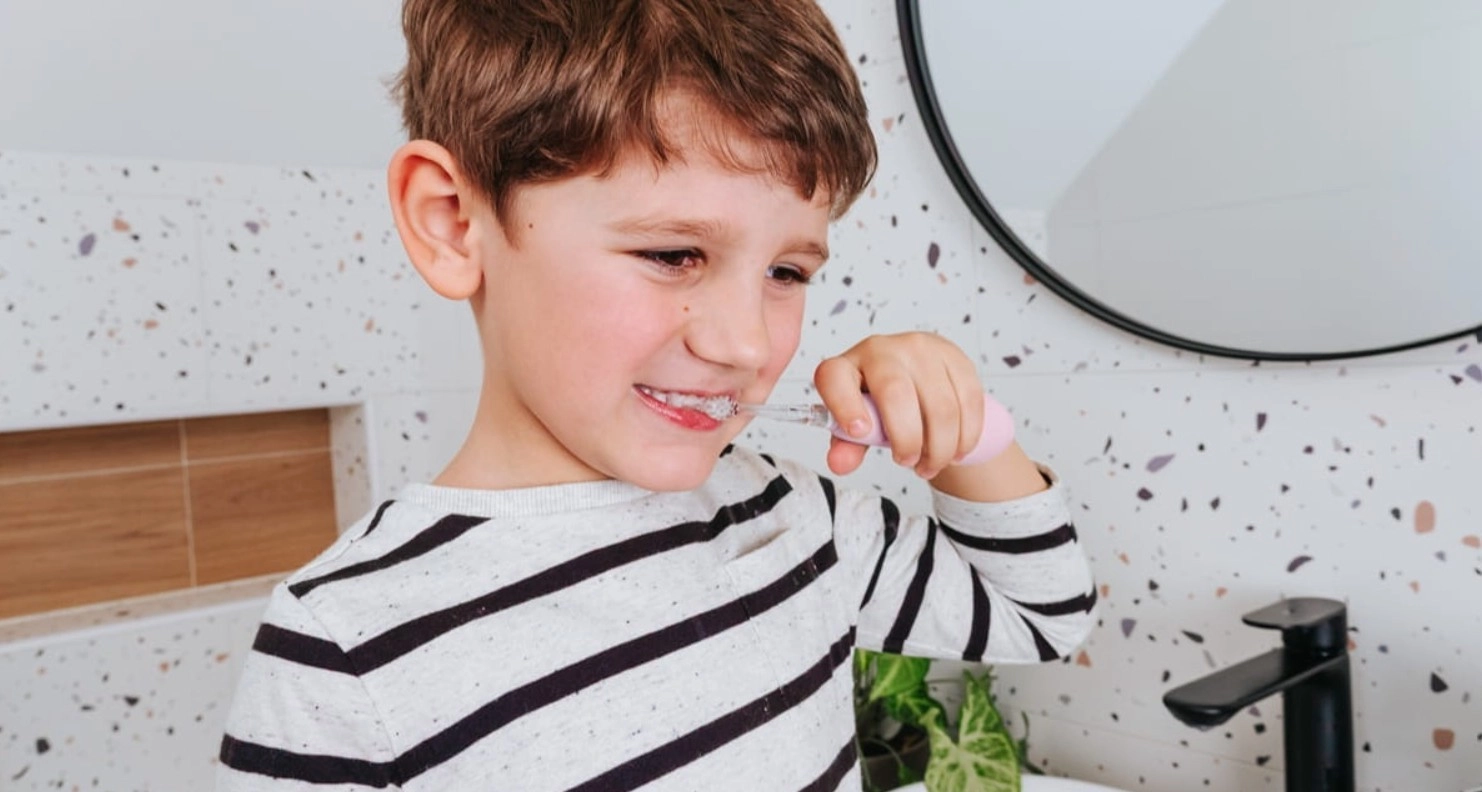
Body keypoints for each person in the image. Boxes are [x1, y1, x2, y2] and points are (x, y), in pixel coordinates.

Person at [216, 0, 1096, 789]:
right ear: (451, 224)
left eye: (787, 272)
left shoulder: (791, 516)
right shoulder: (344, 647)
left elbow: (1042, 617)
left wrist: (969, 431)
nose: (747, 344)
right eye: (673, 255)